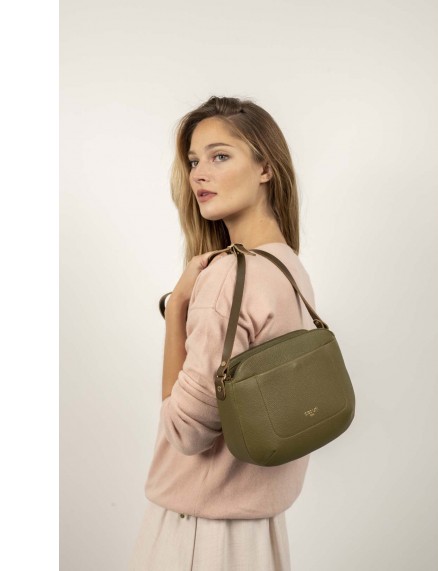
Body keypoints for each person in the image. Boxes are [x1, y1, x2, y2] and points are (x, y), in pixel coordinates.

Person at [128, 95, 318, 570]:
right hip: (261, 533)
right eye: (194, 161)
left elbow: (185, 431)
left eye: (220, 156)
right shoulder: (288, 266)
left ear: (265, 168)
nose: (199, 175)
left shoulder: (227, 277)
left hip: (199, 535)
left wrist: (177, 309)